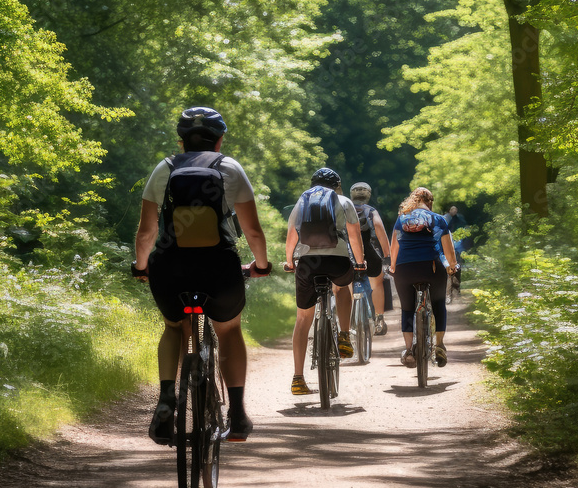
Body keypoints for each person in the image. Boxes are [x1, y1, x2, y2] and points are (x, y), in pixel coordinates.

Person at [133, 107, 271, 444]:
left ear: (181, 141)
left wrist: (140, 266)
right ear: (220, 139)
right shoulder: (230, 168)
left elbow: (146, 233)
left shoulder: (163, 169)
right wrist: (262, 264)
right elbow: (252, 230)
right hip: (218, 267)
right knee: (229, 329)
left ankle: (167, 399)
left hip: (171, 267)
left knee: (172, 326)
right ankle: (237, 414)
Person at [284, 168, 365, 395]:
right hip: (337, 261)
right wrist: (359, 262)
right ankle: (344, 336)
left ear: (313, 184)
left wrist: (289, 261)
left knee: (302, 319)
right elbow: (354, 236)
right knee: (342, 288)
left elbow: (292, 234)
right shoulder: (344, 201)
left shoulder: (303, 201)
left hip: (308, 263)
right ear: (337, 185)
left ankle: (298, 379)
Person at [388, 186, 458, 367]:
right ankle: (440, 345)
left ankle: (409, 350)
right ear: (430, 203)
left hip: (404, 270)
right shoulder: (439, 220)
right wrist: (452, 267)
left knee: (407, 309)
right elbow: (448, 250)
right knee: (438, 304)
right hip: (431, 268)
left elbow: (394, 248)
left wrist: (394, 267)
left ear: (413, 201)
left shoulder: (401, 219)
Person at [349, 182, 392, 336]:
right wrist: (387, 256)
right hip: (370, 253)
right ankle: (379, 319)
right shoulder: (371, 211)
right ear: (368, 195)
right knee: (377, 284)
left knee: (345, 285)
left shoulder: (343, 209)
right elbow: (380, 231)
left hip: (348, 254)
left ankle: (347, 321)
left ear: (351, 195)